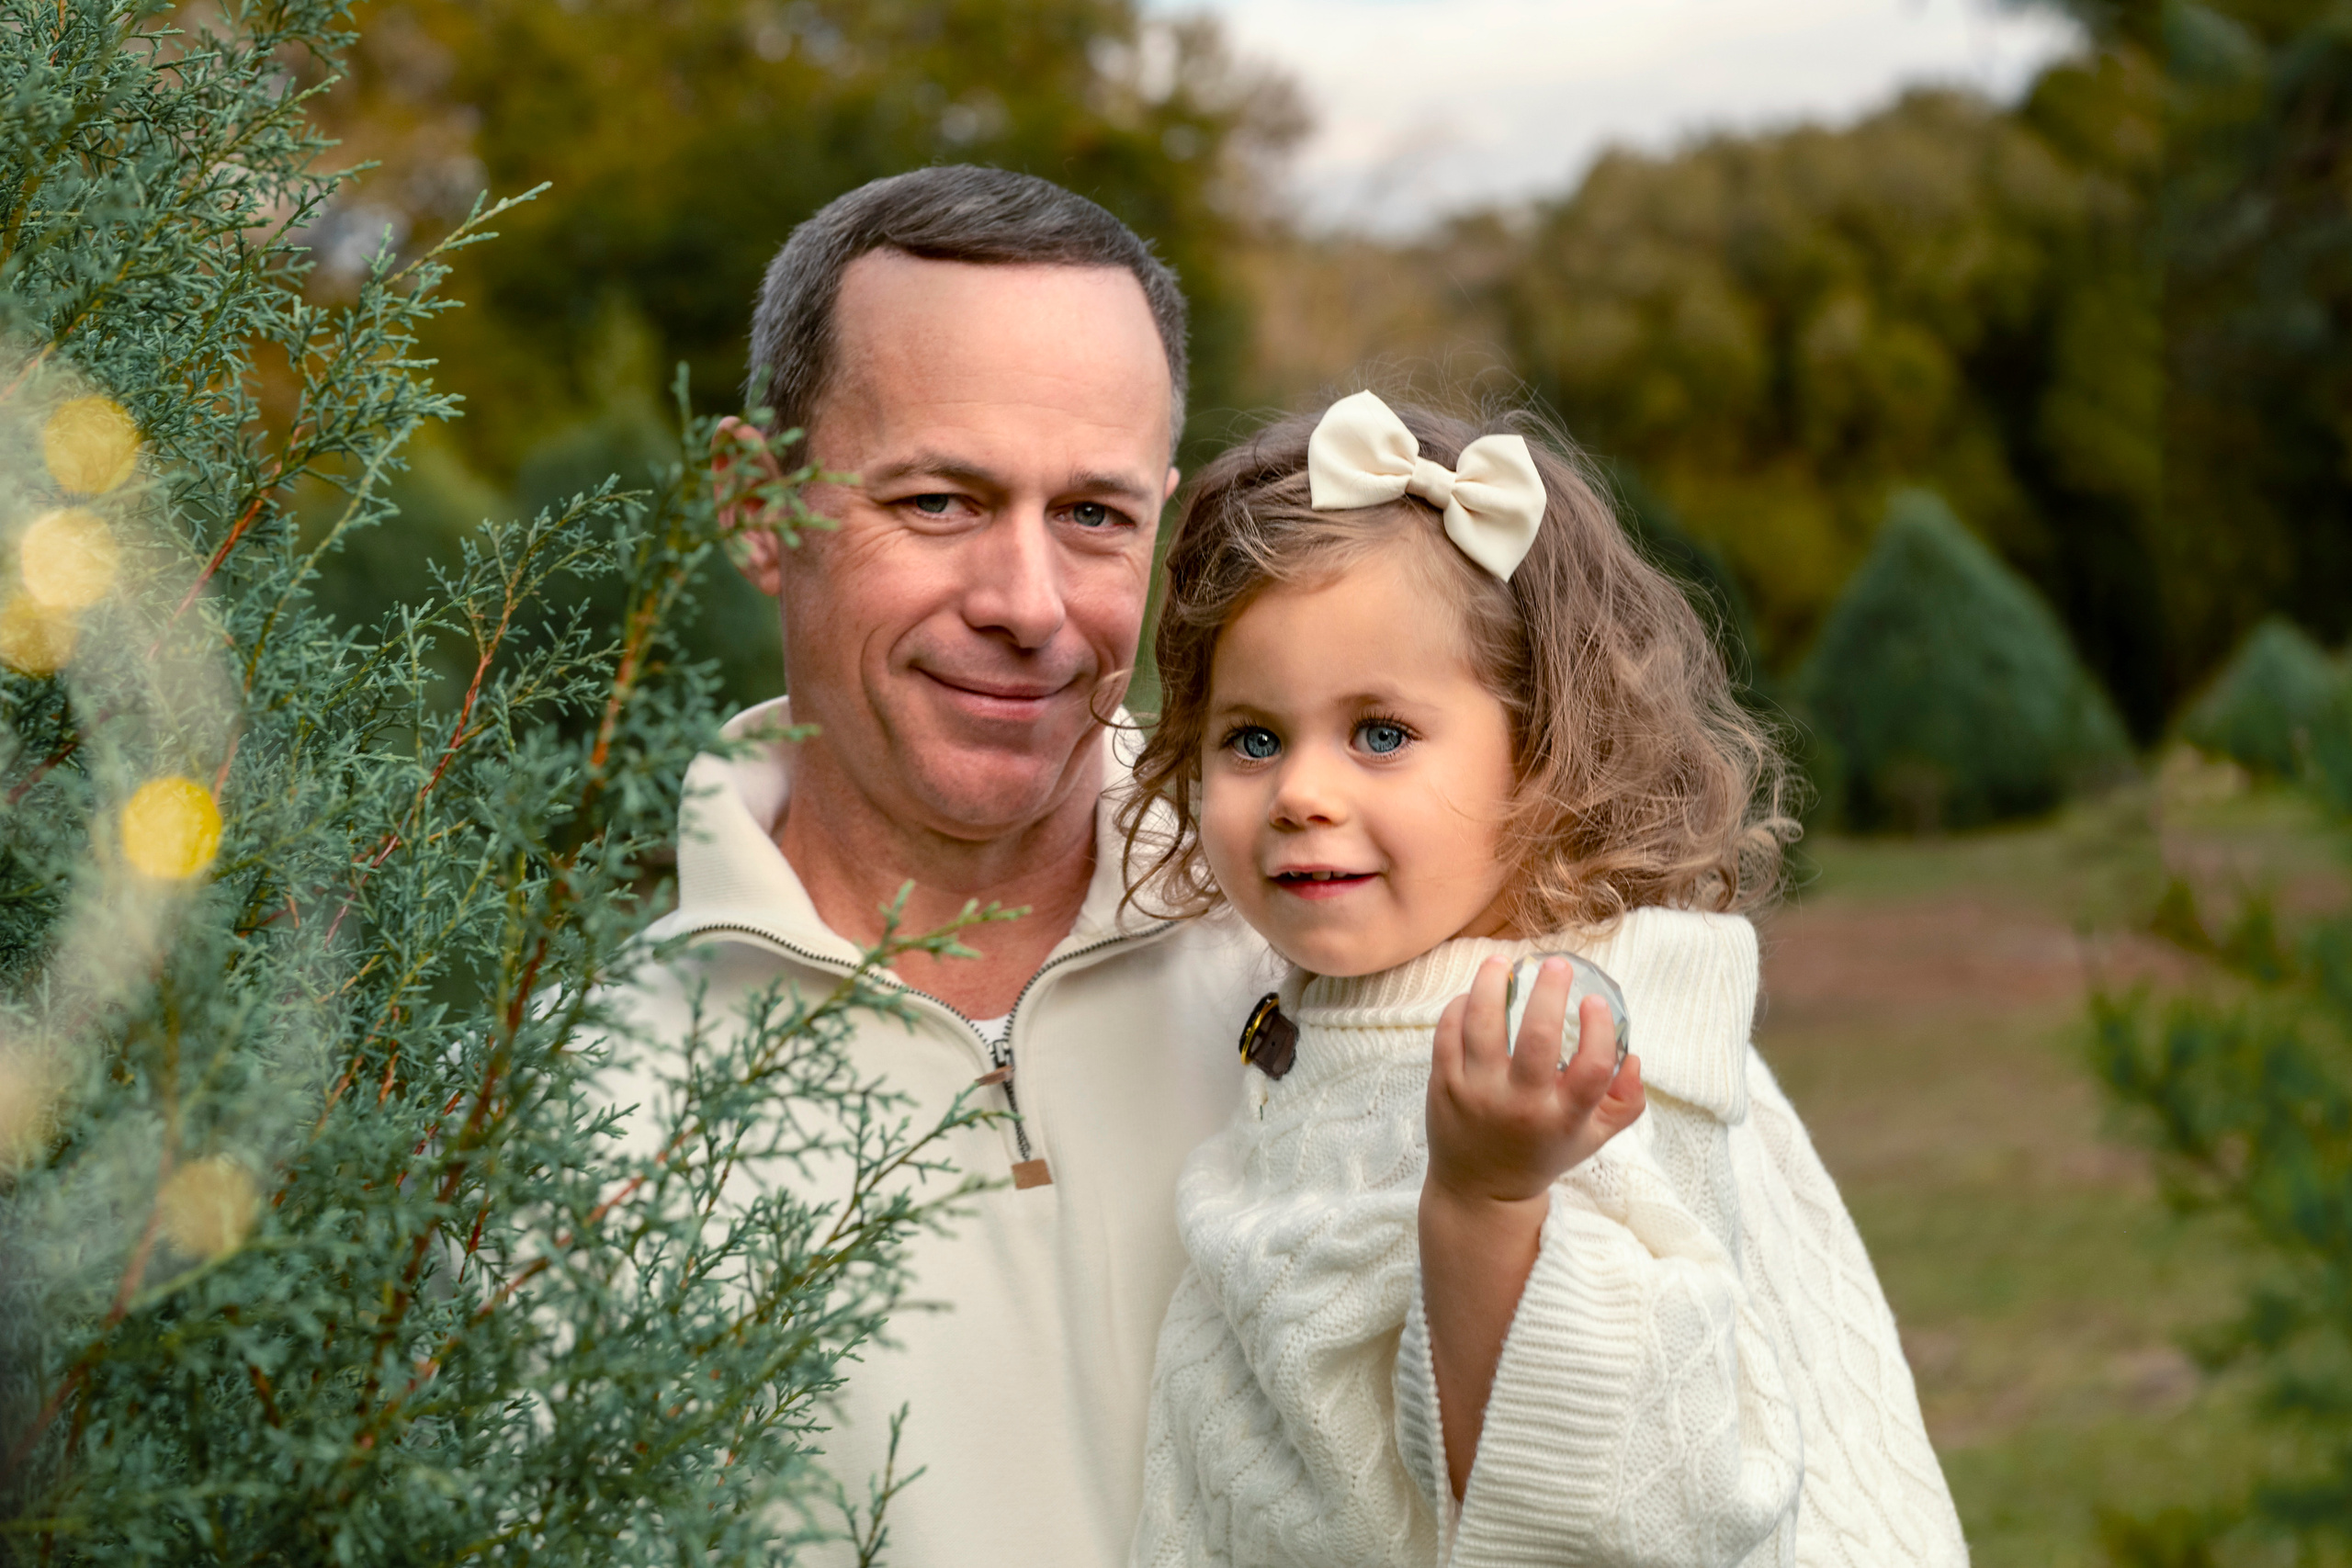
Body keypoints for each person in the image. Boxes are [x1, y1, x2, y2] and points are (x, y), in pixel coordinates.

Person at [1118, 392, 1970, 1565]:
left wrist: (1487, 1199)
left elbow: (1616, 1493)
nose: (1301, 793)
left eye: (1379, 734)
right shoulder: (1350, 1009)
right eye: (1253, 737)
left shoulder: (1558, 1056)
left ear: (1543, 753)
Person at [609, 166, 1270, 1568]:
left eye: (1093, 515)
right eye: (940, 501)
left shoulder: (1374, 974)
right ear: (756, 503)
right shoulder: (580, 1124)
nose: (1027, 605)